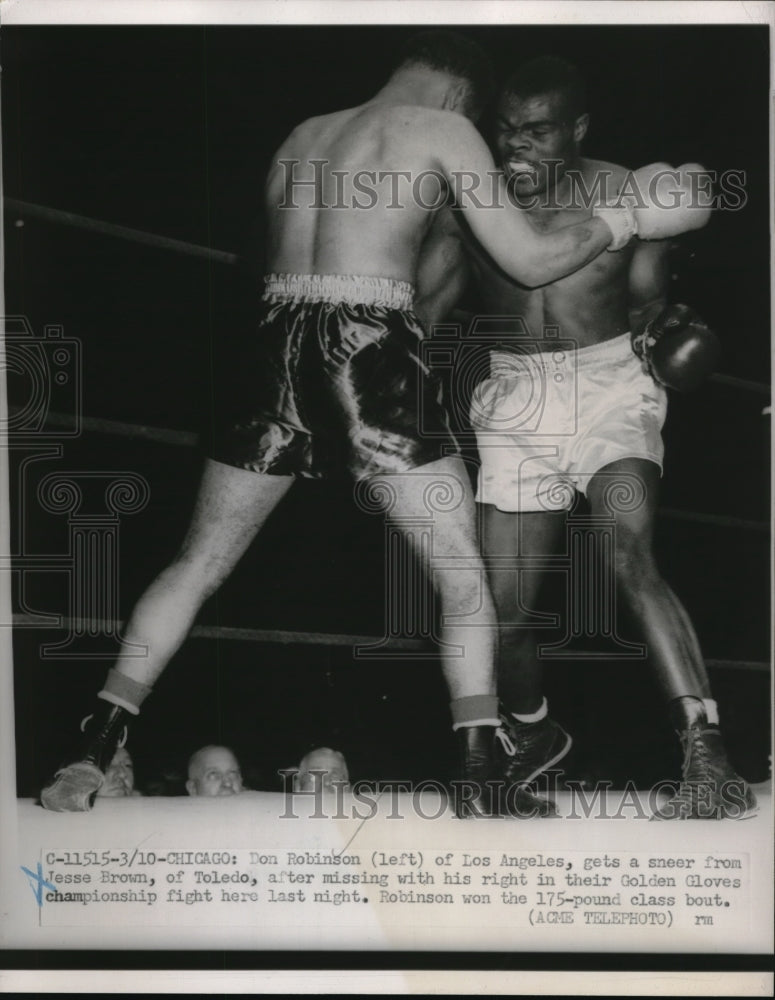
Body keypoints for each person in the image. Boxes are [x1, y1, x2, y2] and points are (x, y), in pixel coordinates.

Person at [39, 32, 706, 818]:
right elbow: (527, 262)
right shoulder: (445, 130)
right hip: (365, 346)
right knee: (463, 580)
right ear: (464, 100)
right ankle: (476, 772)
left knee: (197, 562)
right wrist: (625, 216)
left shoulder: (303, 136)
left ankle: (96, 744)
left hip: (274, 338)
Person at [426, 56, 753, 819]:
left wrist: (670, 331)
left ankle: (707, 757)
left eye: (537, 132)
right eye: (504, 131)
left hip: (610, 388)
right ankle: (534, 738)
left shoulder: (622, 191)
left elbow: (645, 308)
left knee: (629, 555)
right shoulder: (471, 202)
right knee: (500, 612)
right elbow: (426, 308)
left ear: (575, 130)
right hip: (512, 399)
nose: (516, 149)